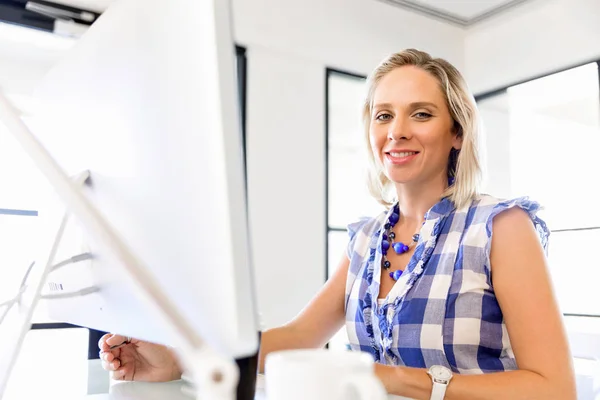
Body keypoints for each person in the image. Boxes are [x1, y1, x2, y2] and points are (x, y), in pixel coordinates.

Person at [99, 49, 576, 399]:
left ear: (457, 132)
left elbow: (555, 389)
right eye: (383, 115)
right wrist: (182, 355)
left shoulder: (502, 227)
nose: (397, 131)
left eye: (422, 114)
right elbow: (296, 339)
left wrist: (399, 381)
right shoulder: (367, 239)